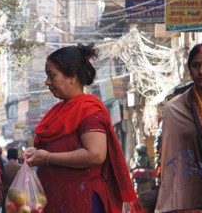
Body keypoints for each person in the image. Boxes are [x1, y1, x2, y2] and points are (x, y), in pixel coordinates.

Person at [24, 43, 140, 213]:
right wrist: (36, 154)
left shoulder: (89, 109)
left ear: (72, 77)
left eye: (52, 75)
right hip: (57, 199)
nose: (47, 82)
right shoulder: (58, 110)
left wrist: (48, 157)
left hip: (82, 200)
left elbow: (95, 154)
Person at [155, 43, 202, 212]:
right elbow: (170, 158)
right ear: (189, 70)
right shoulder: (175, 109)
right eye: (196, 65)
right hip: (190, 191)